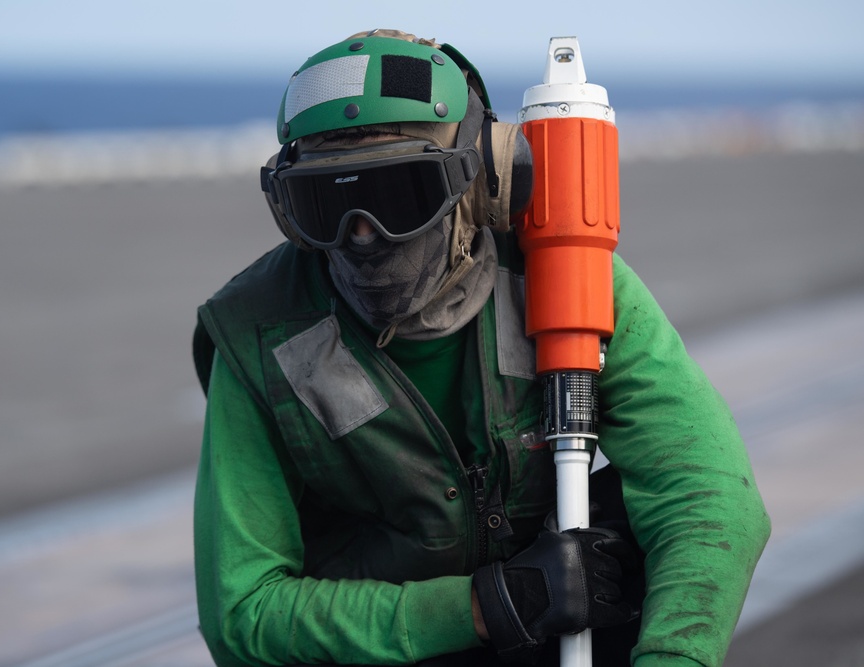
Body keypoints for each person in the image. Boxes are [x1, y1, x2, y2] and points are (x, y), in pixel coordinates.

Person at [192, 29, 770, 667]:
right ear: (285, 207)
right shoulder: (255, 333)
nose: (362, 235)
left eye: (396, 196)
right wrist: (485, 606)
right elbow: (242, 612)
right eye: (324, 201)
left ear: (484, 182)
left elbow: (708, 495)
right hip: (381, 647)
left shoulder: (569, 275)